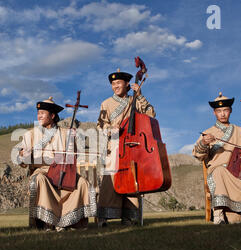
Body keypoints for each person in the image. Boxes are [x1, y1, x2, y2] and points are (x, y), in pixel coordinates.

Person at [16, 97, 97, 231]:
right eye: (38, 113)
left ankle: (72, 222)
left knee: (82, 183)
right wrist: (23, 155)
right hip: (42, 170)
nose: (39, 116)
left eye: (43, 113)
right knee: (39, 180)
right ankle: (47, 223)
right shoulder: (29, 135)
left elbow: (73, 156)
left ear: (52, 116)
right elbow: (22, 161)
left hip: (64, 169)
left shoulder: (66, 133)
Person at [193, 92, 241, 224]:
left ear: (230, 111)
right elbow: (198, 154)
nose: (222, 114)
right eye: (219, 111)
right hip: (221, 170)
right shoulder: (208, 132)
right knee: (219, 172)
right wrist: (204, 143)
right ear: (214, 113)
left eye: (225, 110)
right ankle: (219, 214)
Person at [96, 69, 156, 227]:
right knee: (111, 179)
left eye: (118, 83)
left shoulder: (135, 100)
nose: (115, 86)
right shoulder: (106, 103)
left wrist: (140, 95)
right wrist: (111, 129)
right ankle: (104, 217)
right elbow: (101, 125)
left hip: (132, 146)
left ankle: (129, 217)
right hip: (114, 145)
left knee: (132, 178)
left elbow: (151, 115)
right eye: (113, 84)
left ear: (127, 84)